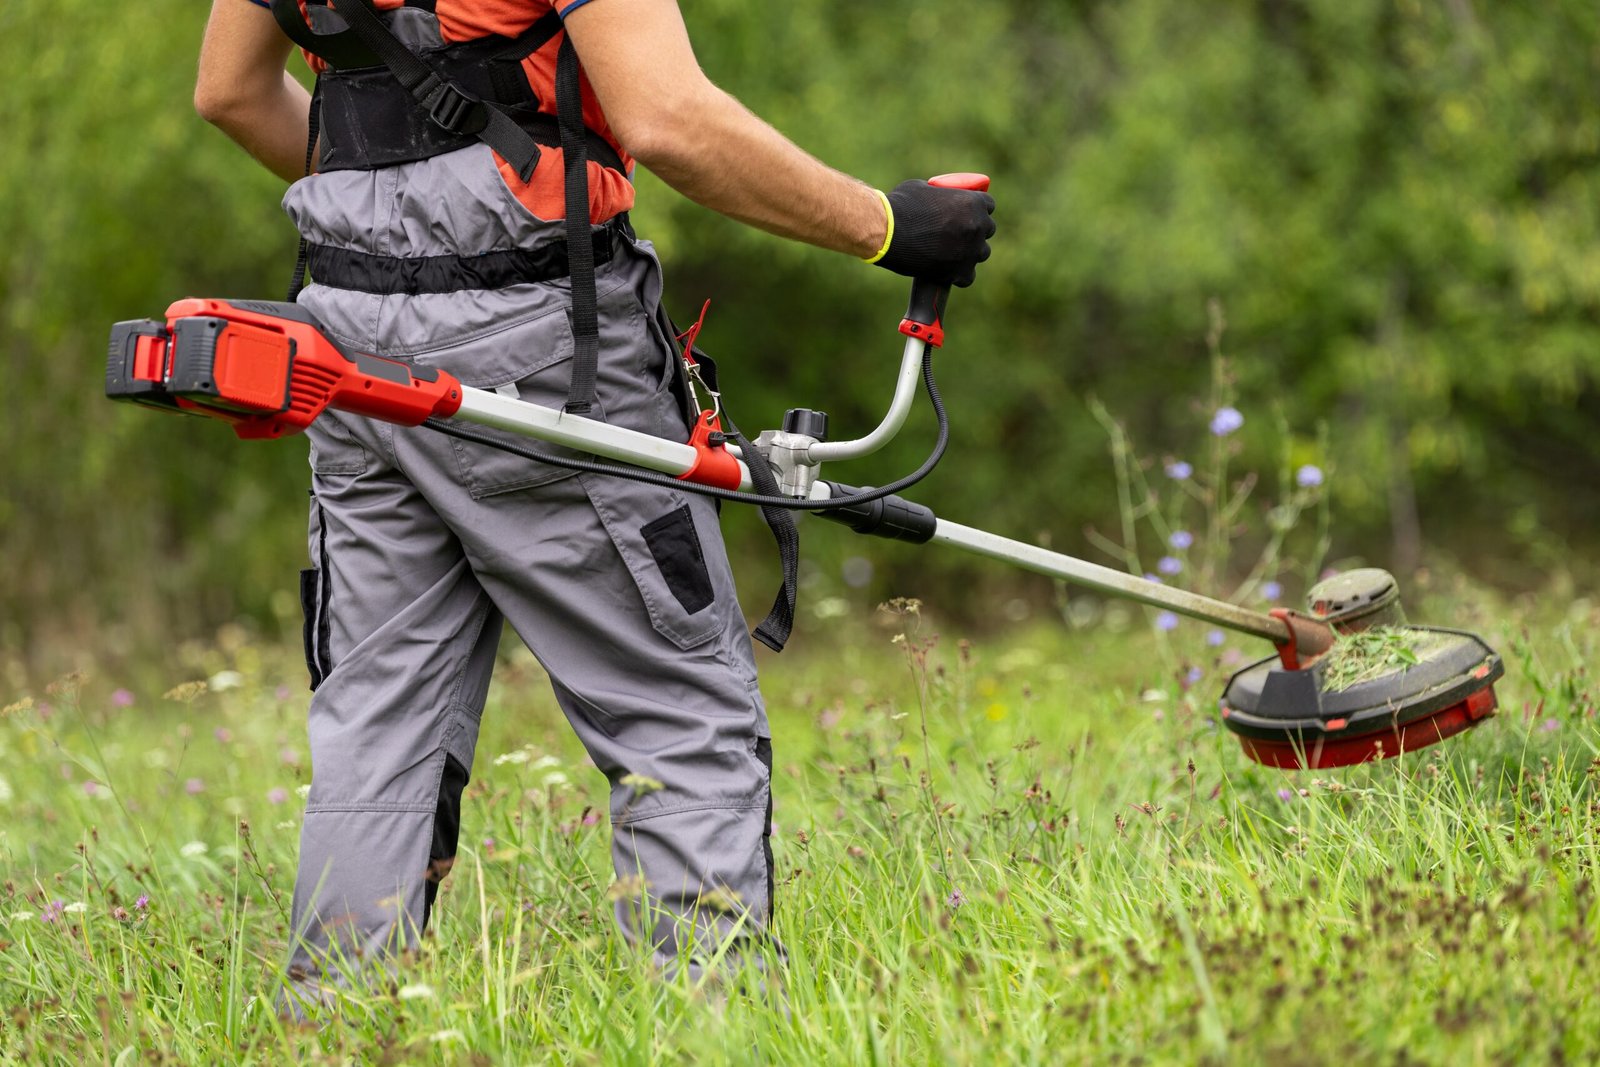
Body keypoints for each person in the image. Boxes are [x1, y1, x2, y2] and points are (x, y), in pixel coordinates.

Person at [195, 0, 994, 1006]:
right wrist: (889, 227)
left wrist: (397, 228)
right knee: (675, 709)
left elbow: (228, 91)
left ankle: (337, 1023)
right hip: (544, 344)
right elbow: (669, 122)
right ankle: (722, 1017)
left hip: (345, 342)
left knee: (377, 715)